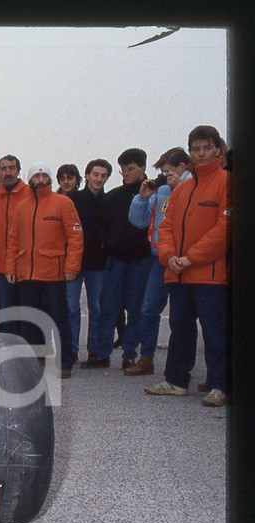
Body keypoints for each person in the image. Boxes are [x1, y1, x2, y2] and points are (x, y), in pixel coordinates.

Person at [145, 125, 229, 407]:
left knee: (215, 331)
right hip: (177, 274)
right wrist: (168, 256)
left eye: (207, 147)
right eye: (196, 148)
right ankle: (176, 380)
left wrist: (191, 257)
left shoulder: (228, 183)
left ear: (218, 149)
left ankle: (219, 385)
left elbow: (225, 229)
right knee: (180, 329)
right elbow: (165, 226)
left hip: (210, 275)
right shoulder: (180, 190)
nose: (201, 153)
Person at [5, 164, 83, 378]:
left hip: (54, 273)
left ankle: (63, 360)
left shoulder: (63, 203)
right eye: (36, 176)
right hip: (26, 273)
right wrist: (11, 267)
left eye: (44, 175)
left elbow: (75, 237)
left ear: (50, 179)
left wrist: (72, 266)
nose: (40, 179)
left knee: (59, 317)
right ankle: (34, 360)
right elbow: (13, 240)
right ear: (29, 179)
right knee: (30, 320)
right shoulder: (21, 207)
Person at [124, 147, 191, 376]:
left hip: (186, 260)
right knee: (148, 309)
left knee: (184, 316)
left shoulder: (194, 187)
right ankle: (146, 358)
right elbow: (139, 222)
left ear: (183, 168)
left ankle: (184, 368)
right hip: (159, 259)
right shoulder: (161, 191)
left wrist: (180, 188)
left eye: (168, 172)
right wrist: (142, 199)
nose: (165, 177)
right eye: (162, 173)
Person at [94, 148, 151, 370]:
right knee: (108, 307)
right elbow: (99, 226)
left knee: (136, 308)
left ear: (143, 168)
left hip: (142, 260)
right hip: (116, 260)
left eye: (132, 169)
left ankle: (129, 353)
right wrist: (107, 243)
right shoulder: (112, 198)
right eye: (124, 170)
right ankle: (101, 353)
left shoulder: (154, 194)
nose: (127, 174)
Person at [69, 159, 113, 368]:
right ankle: (71, 350)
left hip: (98, 261)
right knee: (71, 306)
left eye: (103, 176)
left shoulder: (108, 200)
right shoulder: (73, 199)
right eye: (95, 174)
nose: (98, 179)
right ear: (86, 176)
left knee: (97, 307)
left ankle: (95, 351)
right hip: (74, 260)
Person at [0, 154, 31, 335]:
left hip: (25, 265)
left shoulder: (29, 194)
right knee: (7, 311)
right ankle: (11, 351)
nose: (7, 172)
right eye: (3, 169)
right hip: (2, 266)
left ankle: (30, 351)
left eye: (11, 168)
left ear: (18, 171)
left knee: (27, 311)